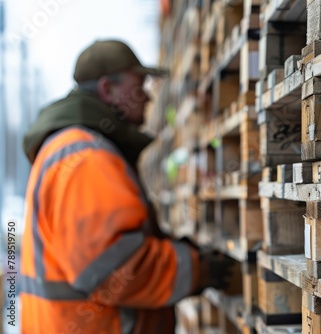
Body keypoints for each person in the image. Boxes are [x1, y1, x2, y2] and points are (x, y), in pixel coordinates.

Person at [20, 39, 232, 333]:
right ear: (108, 89)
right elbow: (110, 268)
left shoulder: (73, 148)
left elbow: (107, 247)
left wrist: (172, 248)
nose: (147, 98)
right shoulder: (86, 158)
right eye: (139, 85)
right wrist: (197, 269)